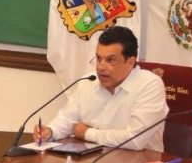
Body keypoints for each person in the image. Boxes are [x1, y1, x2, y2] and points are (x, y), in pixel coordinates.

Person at [32, 26, 168, 151]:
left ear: (130, 62)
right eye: (98, 58)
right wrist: (50, 131)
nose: (101, 67)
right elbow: (67, 119)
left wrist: (87, 133)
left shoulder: (149, 85)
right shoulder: (88, 81)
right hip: (93, 160)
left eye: (110, 60)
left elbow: (134, 140)